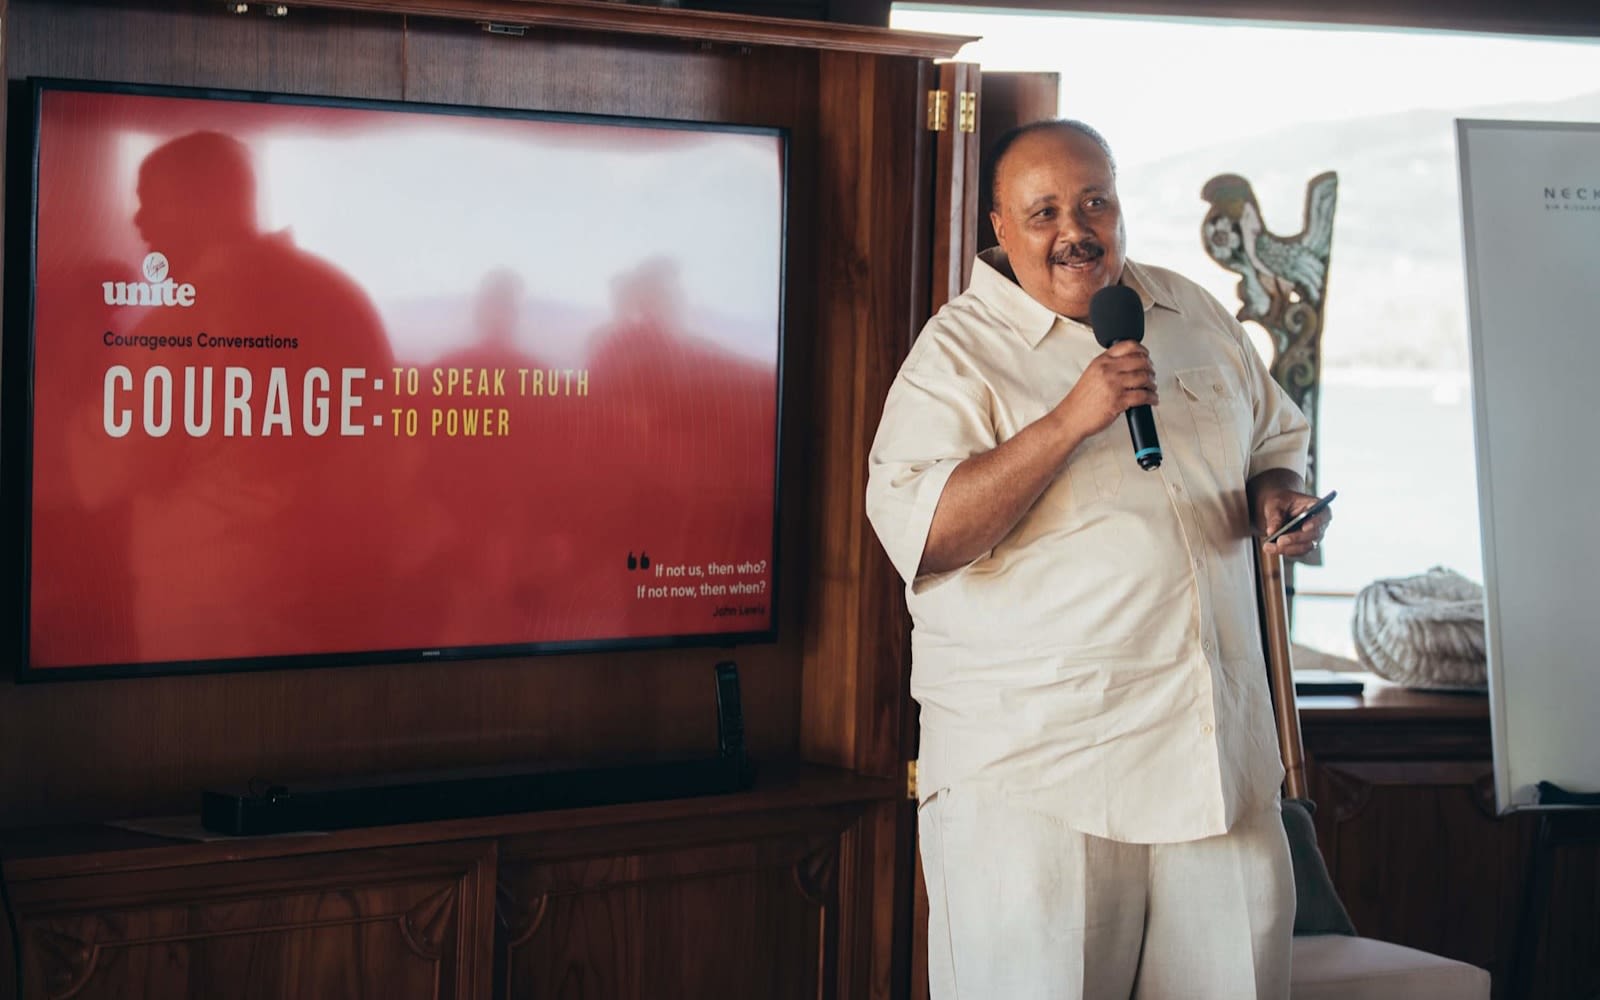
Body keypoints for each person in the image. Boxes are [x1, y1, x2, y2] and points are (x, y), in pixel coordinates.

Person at [865, 120, 1332, 999]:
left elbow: (1275, 437)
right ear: (999, 228)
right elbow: (924, 536)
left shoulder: (1188, 311)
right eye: (1042, 211)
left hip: (1213, 763)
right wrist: (1068, 422)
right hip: (1041, 782)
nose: (1074, 229)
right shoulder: (954, 354)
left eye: (1093, 202)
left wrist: (1278, 494)